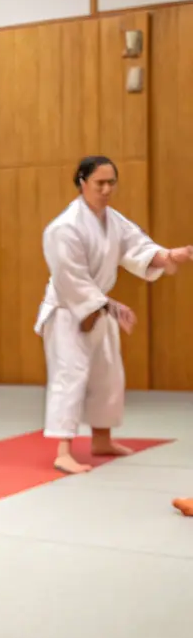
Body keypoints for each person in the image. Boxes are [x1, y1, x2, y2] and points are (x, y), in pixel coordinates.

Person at [36, 156, 193, 475]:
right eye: (100, 183)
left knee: (108, 376)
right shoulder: (64, 227)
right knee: (70, 377)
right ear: (82, 183)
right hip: (68, 311)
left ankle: (102, 440)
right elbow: (70, 277)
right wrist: (109, 306)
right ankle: (63, 450)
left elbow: (137, 247)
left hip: (99, 308)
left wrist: (168, 255)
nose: (106, 189)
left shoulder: (113, 221)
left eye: (111, 183)